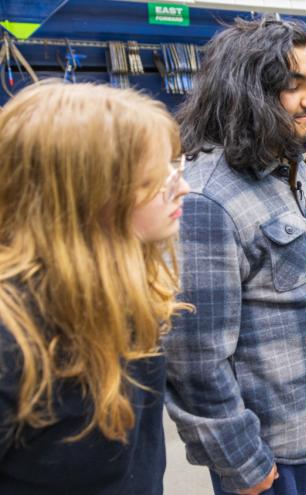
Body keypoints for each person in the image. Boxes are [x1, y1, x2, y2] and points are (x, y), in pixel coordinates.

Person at [164, 18, 306, 495]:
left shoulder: (293, 165)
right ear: (244, 89)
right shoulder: (206, 200)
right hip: (274, 455)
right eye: (292, 85)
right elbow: (194, 361)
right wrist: (241, 461)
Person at [0, 82, 189, 494]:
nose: (182, 187)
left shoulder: (131, 293)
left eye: (174, 168)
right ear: (88, 197)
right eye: (153, 179)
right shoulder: (12, 340)